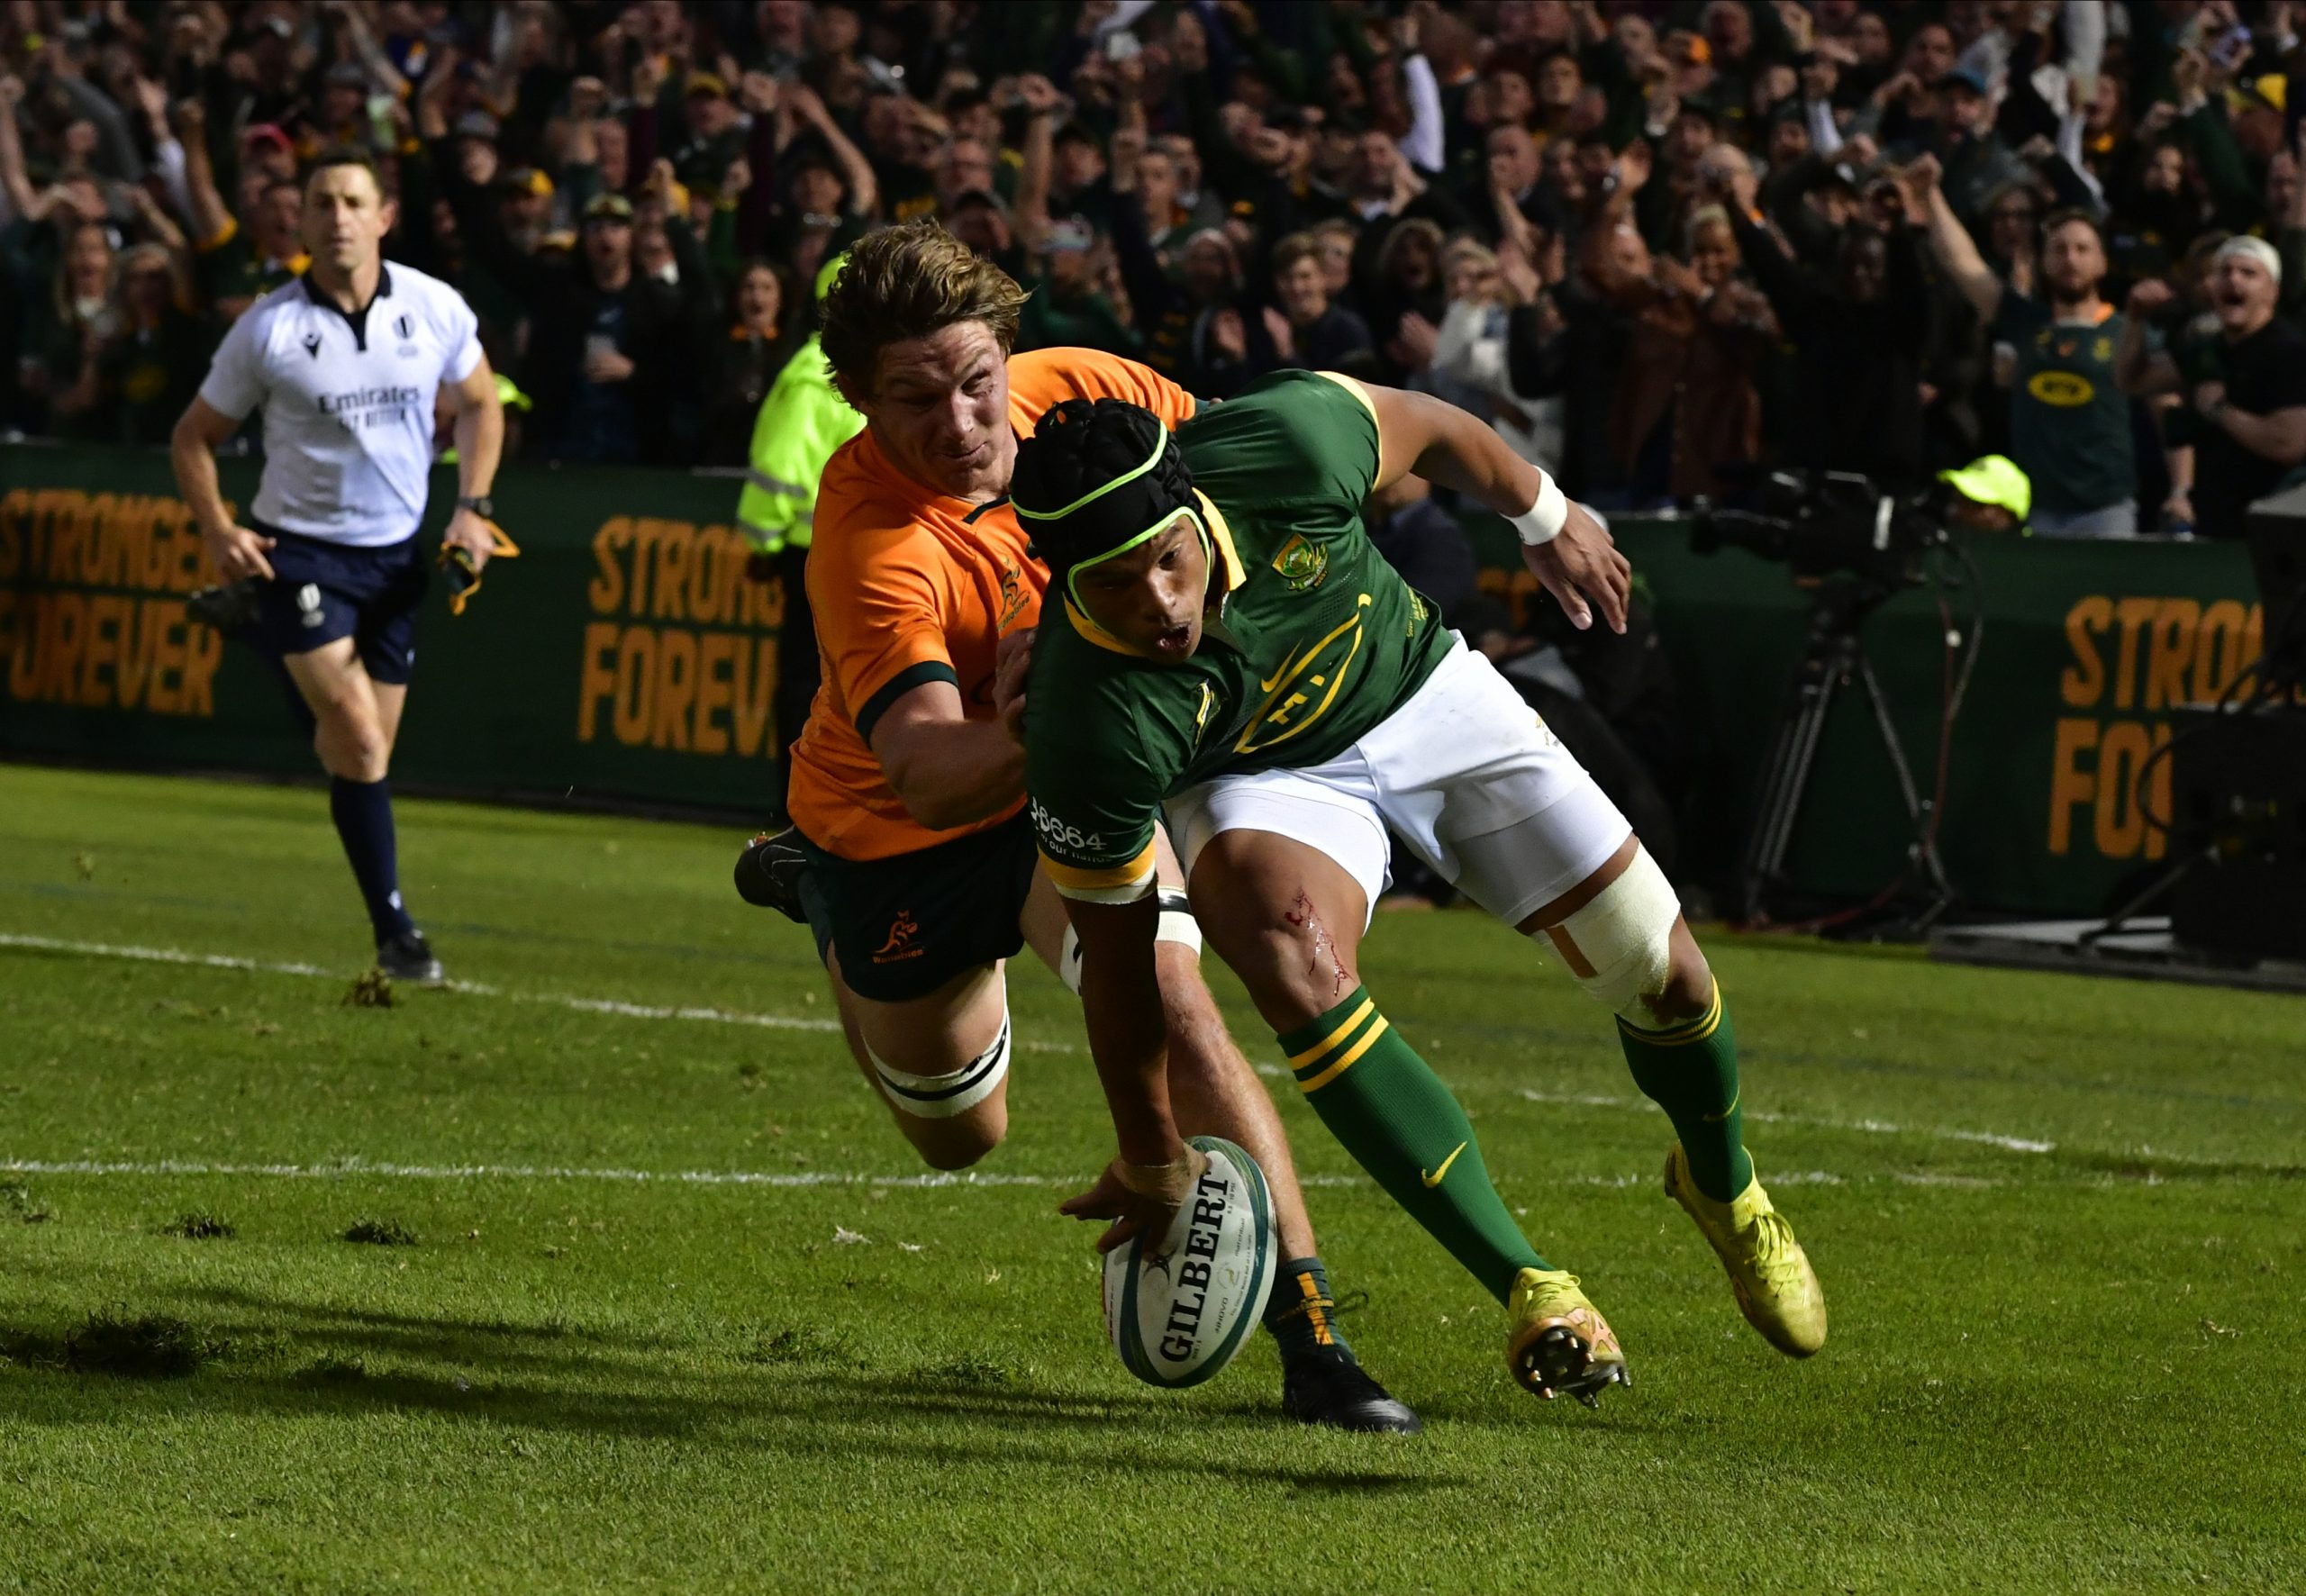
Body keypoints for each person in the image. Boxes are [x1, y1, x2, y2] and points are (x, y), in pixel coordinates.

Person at [1007, 372, 1826, 1406]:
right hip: (1259, 780)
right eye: (1114, 586)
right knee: (1284, 945)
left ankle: (1723, 1182)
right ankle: (1533, 1285)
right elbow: (1124, 968)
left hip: (1420, 690)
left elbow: (1436, 429)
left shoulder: (1291, 444)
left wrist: (1544, 511)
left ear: (1194, 506)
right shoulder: (1086, 723)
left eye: (1167, 561)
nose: (1159, 606)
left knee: (1663, 976)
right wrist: (1152, 1151)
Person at [736, 222, 1417, 1434]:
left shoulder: (1093, 396)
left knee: (1173, 992)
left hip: (1067, 808)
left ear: (1009, 349)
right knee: (959, 1135)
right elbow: (934, 772)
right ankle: (812, 896)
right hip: (899, 837)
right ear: (852, 397)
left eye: (975, 383)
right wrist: (1062, 711)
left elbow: (1243, 483)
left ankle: (1316, 1343)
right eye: (912, 399)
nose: (957, 424)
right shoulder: (871, 541)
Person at [169, 150, 504, 983]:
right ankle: (396, 931)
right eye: (323, 202)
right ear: (302, 221)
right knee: (356, 741)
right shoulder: (269, 328)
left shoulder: (432, 307)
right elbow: (191, 438)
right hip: (303, 551)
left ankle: (256, 630)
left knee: (359, 752)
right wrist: (218, 529)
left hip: (396, 561)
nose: (339, 216)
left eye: (354, 201)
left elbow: (481, 404)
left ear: (384, 216)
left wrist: (475, 505)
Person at [1911, 156, 2138, 538]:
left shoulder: (2125, 330)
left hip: (2107, 507)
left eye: (2082, 249)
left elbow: (2166, 408)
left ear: (2102, 262)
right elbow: (1962, 262)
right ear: (2044, 261)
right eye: (2059, 250)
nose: (2070, 259)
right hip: (2040, 508)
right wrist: (1930, 193)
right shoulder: (2024, 321)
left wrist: (2181, 489)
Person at [733, 253, 863, 824]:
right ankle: (806, 810)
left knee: (816, 688)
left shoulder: (823, 371)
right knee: (821, 690)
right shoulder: (826, 374)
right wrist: (766, 546)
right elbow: (782, 471)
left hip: (824, 555)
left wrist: (762, 545)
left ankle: (810, 808)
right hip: (823, 555)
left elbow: (777, 470)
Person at [2116, 236, 2306, 541]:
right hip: (2214, 524)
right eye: (2225, 271)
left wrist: (2221, 412)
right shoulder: (2208, 350)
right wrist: (2135, 320)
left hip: (2275, 529)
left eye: (2248, 273)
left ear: (2273, 292)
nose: (2234, 279)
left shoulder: (2289, 352)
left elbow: (2290, 444)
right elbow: (2132, 380)